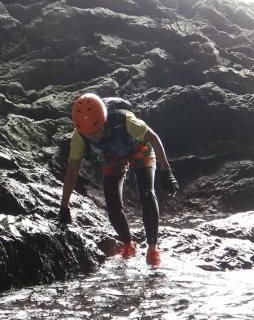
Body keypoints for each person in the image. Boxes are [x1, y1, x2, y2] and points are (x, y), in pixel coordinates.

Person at [59, 92, 179, 266]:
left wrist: (166, 171)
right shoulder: (80, 136)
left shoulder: (125, 121)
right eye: (88, 135)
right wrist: (64, 207)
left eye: (96, 132)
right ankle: (128, 245)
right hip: (112, 156)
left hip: (139, 148)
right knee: (112, 205)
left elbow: (153, 138)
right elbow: (71, 171)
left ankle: (152, 249)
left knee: (147, 193)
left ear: (104, 122)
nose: (92, 138)